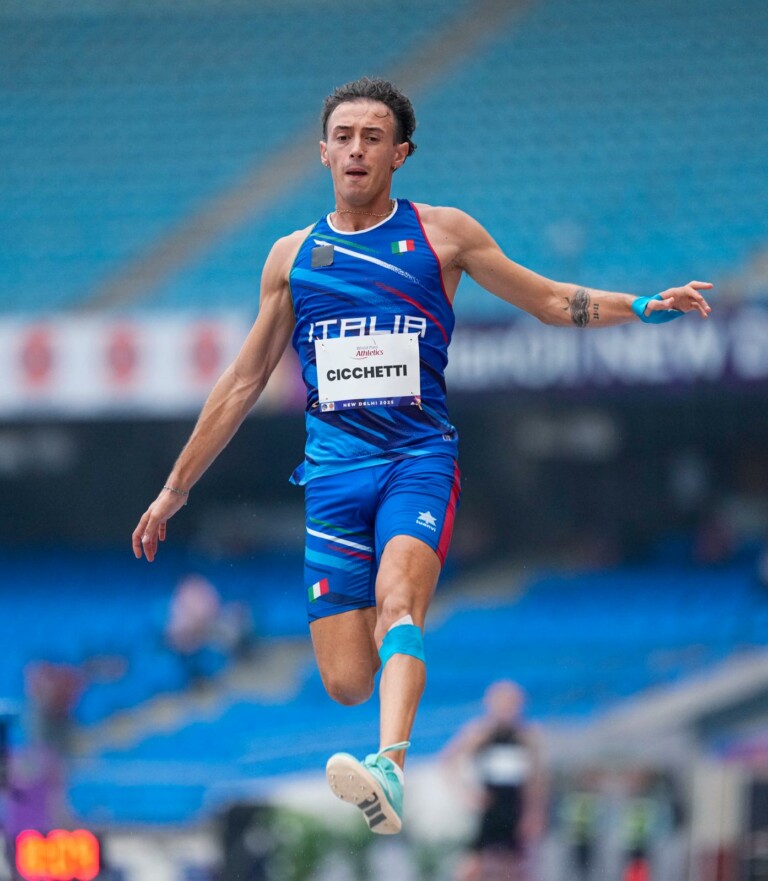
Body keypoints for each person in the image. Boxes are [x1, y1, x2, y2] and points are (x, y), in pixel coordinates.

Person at [132, 76, 713, 835]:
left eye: (373, 138)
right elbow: (243, 381)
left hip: (417, 459)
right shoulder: (292, 258)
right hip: (333, 477)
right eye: (344, 137)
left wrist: (639, 305)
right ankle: (384, 698)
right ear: (323, 152)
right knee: (346, 680)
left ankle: (389, 766)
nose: (356, 150)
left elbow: (547, 299)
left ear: (400, 153)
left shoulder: (443, 234)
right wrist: (174, 488)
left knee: (401, 602)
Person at [441, 681, 547, 881]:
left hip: (515, 807)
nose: (508, 708)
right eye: (503, 703)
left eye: (513, 703)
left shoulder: (527, 736)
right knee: (473, 864)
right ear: (490, 704)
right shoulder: (480, 732)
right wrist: (466, 793)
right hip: (490, 807)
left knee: (518, 867)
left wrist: (534, 811)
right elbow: (448, 761)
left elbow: (537, 779)